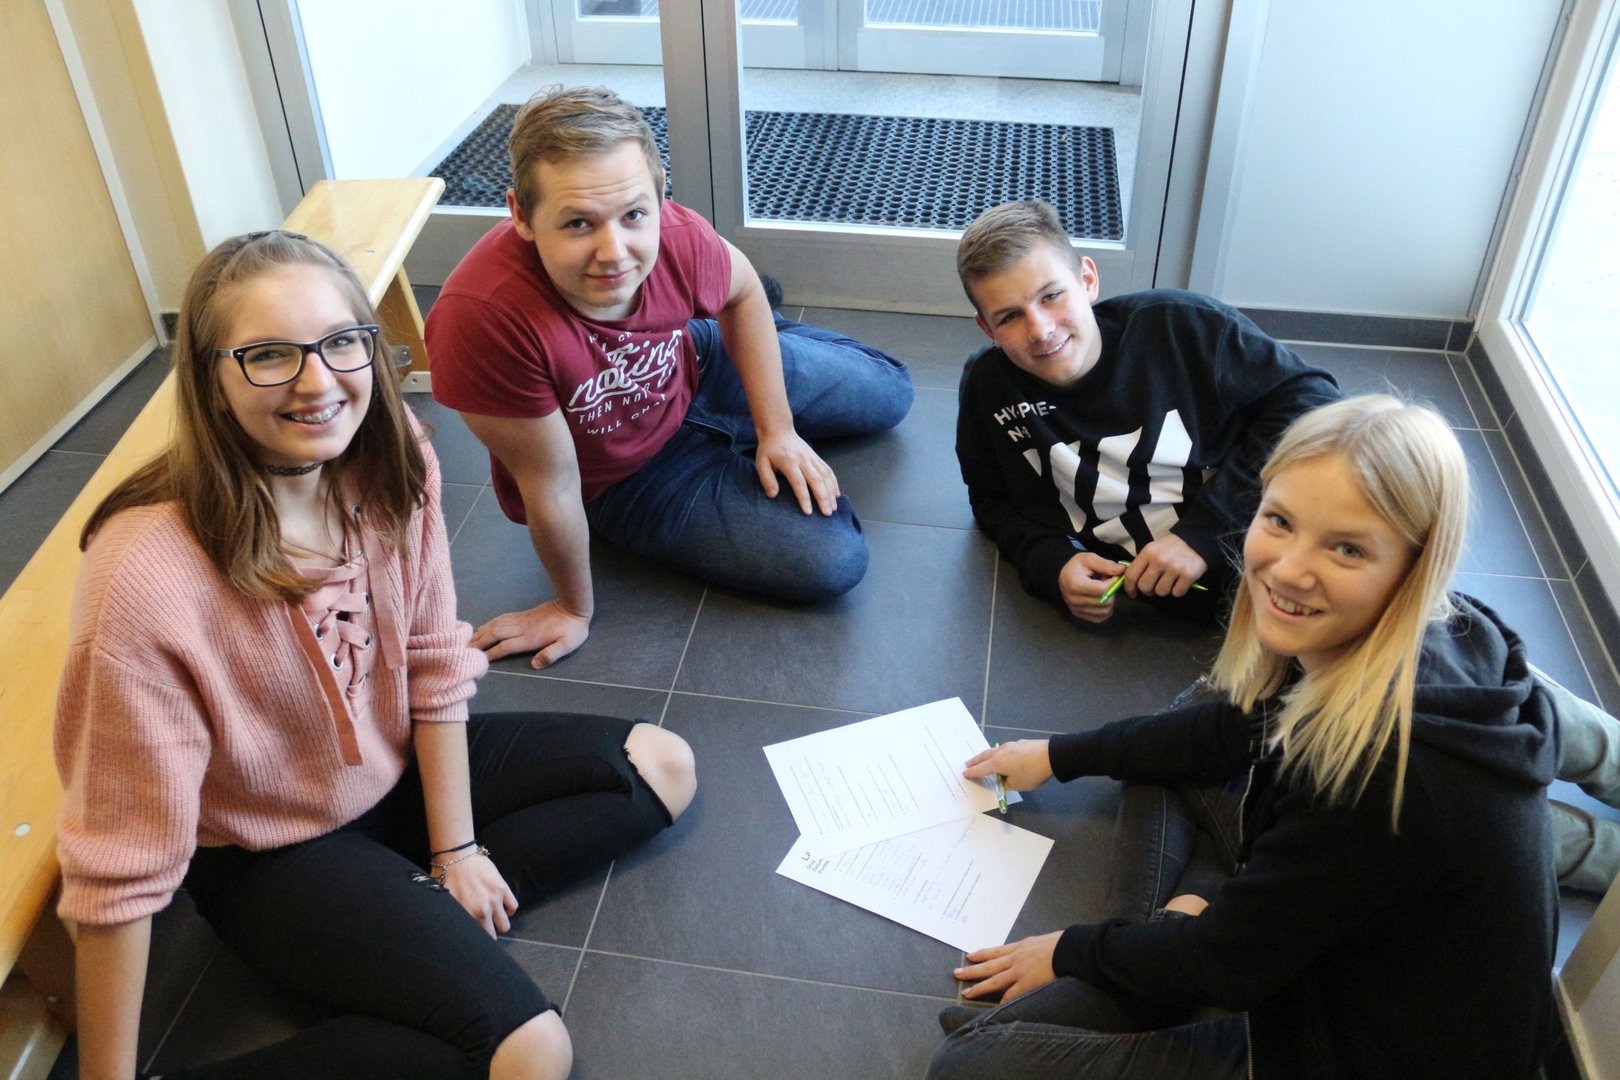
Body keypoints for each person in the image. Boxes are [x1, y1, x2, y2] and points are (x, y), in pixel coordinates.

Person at [56, 230, 697, 1080]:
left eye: (341, 343)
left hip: (392, 778)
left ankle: (408, 908)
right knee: (531, 1054)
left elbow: (434, 662)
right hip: (273, 852)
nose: (318, 382)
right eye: (269, 356)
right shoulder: (145, 575)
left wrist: (458, 851)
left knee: (661, 765)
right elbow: (121, 863)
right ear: (210, 378)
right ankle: (393, 925)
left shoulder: (397, 459)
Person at [930, 396, 1564, 1079]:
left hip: (1353, 1049)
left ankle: (1154, 951)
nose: (1288, 570)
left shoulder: (1381, 776)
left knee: (970, 1064)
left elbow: (1229, 967)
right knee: (1198, 721)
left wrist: (1070, 951)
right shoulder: (1452, 626)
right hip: (1316, 930)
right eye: (1280, 521)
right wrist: (1058, 755)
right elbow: (1228, 732)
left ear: (1415, 568)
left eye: (1347, 549)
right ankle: (1168, 937)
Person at [426, 85, 915, 668]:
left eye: (634, 215)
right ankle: (734, 374)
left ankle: (743, 347)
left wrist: (778, 429)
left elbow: (743, 292)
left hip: (692, 362)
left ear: (660, 197)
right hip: (622, 475)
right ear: (521, 216)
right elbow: (551, 485)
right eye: (578, 223)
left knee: (894, 391)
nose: (615, 253)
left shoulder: (678, 233)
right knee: (833, 561)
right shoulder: (480, 320)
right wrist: (572, 608)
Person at [954, 200, 1340, 626]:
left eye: (1052, 296)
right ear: (987, 329)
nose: (1041, 330)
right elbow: (990, 498)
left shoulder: (1181, 326)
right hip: (1156, 621)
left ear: (1087, 279)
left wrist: (1202, 534)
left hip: (1289, 566)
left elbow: (1314, 400)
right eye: (1010, 316)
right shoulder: (988, 387)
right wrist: (1052, 563)